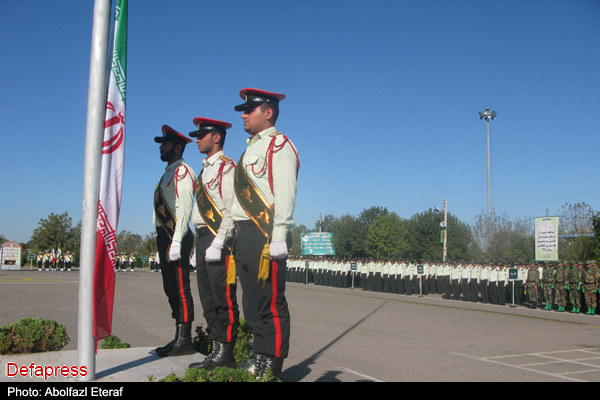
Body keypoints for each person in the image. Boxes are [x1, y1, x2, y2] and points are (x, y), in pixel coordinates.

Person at [231, 88, 299, 378]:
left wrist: (280, 234)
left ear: (268, 112)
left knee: (270, 302)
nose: (243, 115)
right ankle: (259, 356)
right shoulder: (249, 150)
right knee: (251, 303)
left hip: (265, 235)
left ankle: (272, 366)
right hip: (243, 234)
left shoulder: (279, 146)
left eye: (249, 110)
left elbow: (285, 192)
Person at [187, 117, 240, 371]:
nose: (197, 139)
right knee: (208, 299)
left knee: (223, 298)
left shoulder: (226, 168)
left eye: (201, 135)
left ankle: (226, 354)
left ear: (216, 137)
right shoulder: (204, 170)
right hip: (203, 237)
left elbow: (231, 209)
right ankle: (216, 350)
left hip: (219, 238)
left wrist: (219, 241)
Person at [153, 124, 196, 357]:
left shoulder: (184, 172)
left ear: (178, 147)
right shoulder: (168, 172)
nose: (161, 147)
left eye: (165, 144)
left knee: (181, 289)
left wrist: (177, 240)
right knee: (170, 288)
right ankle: (178, 336)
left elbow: (185, 207)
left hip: (175, 237)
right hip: (164, 236)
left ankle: (185, 340)